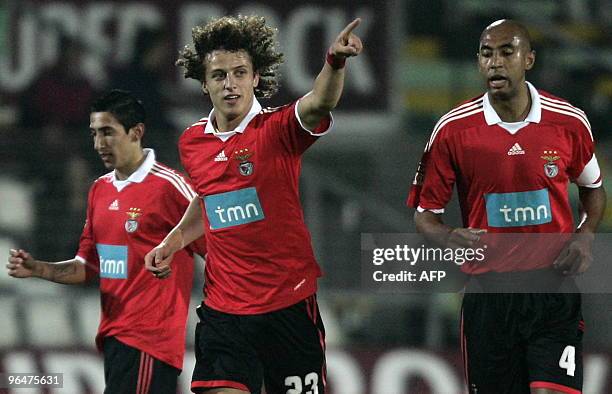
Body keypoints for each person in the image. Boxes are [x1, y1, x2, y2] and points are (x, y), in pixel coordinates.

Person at [145, 15, 363, 394]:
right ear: (204, 83)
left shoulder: (278, 131)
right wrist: (172, 242)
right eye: (219, 75)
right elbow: (209, 199)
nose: (230, 84)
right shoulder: (192, 142)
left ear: (256, 77)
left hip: (288, 306)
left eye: (240, 72)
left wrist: (335, 61)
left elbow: (319, 102)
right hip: (224, 313)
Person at [408, 20, 606, 394]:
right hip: (490, 296)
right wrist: (447, 235)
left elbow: (593, 188)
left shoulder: (568, 121)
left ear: (528, 58)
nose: (495, 63)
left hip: (553, 289)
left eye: (506, 52)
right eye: (486, 54)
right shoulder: (453, 130)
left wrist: (585, 235)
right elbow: (424, 215)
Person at [7, 90, 206, 394]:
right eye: (95, 133)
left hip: (151, 344)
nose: (99, 144)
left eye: (108, 132)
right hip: (115, 341)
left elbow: (219, 247)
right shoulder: (99, 190)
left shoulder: (171, 188)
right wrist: (38, 269)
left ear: (136, 132)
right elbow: (87, 266)